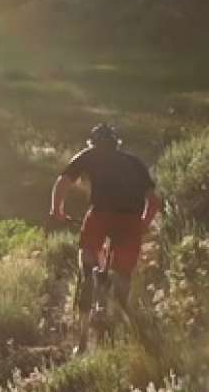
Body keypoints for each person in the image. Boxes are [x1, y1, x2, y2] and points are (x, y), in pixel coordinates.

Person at [50, 123, 161, 316]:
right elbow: (153, 201)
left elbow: (63, 181)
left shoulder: (91, 155)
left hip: (101, 214)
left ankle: (88, 277)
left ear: (93, 143)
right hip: (131, 219)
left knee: (87, 255)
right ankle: (116, 314)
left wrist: (57, 210)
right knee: (123, 272)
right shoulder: (134, 162)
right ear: (116, 143)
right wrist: (143, 224)